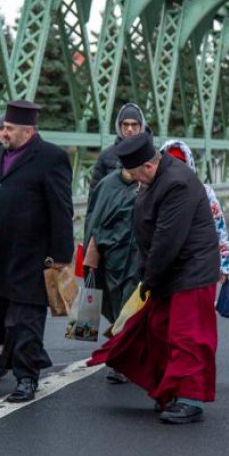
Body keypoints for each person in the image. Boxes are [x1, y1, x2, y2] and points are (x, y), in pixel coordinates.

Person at [87, 131, 221, 424]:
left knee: (187, 336)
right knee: (160, 331)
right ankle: (170, 391)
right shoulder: (154, 179)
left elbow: (166, 239)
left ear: (148, 165)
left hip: (191, 271)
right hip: (167, 272)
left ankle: (189, 397)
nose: (135, 181)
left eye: (136, 174)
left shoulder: (177, 183)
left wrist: (147, 279)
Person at [0, 100, 74, 403]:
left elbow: (61, 209)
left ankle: (27, 377)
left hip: (32, 255)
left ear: (28, 131)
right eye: (2, 127)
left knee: (25, 319)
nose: (4, 133)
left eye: (10, 128)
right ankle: (15, 354)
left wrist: (61, 258)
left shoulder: (52, 157)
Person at [82, 149, 139, 385]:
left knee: (132, 307)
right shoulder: (107, 185)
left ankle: (125, 361)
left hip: (136, 258)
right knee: (117, 308)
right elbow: (93, 219)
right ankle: (124, 356)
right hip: (111, 257)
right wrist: (89, 259)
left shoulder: (147, 184)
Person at [159, 140, 229, 281]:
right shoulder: (156, 193)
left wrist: (224, 265)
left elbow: (219, 228)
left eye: (180, 163)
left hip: (198, 268)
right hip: (165, 271)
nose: (175, 168)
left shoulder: (203, 192)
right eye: (170, 163)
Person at [89, 103, 147, 191]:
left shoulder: (151, 155)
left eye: (134, 124)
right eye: (125, 124)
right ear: (119, 126)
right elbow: (95, 191)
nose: (130, 129)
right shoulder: (106, 155)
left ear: (141, 126)